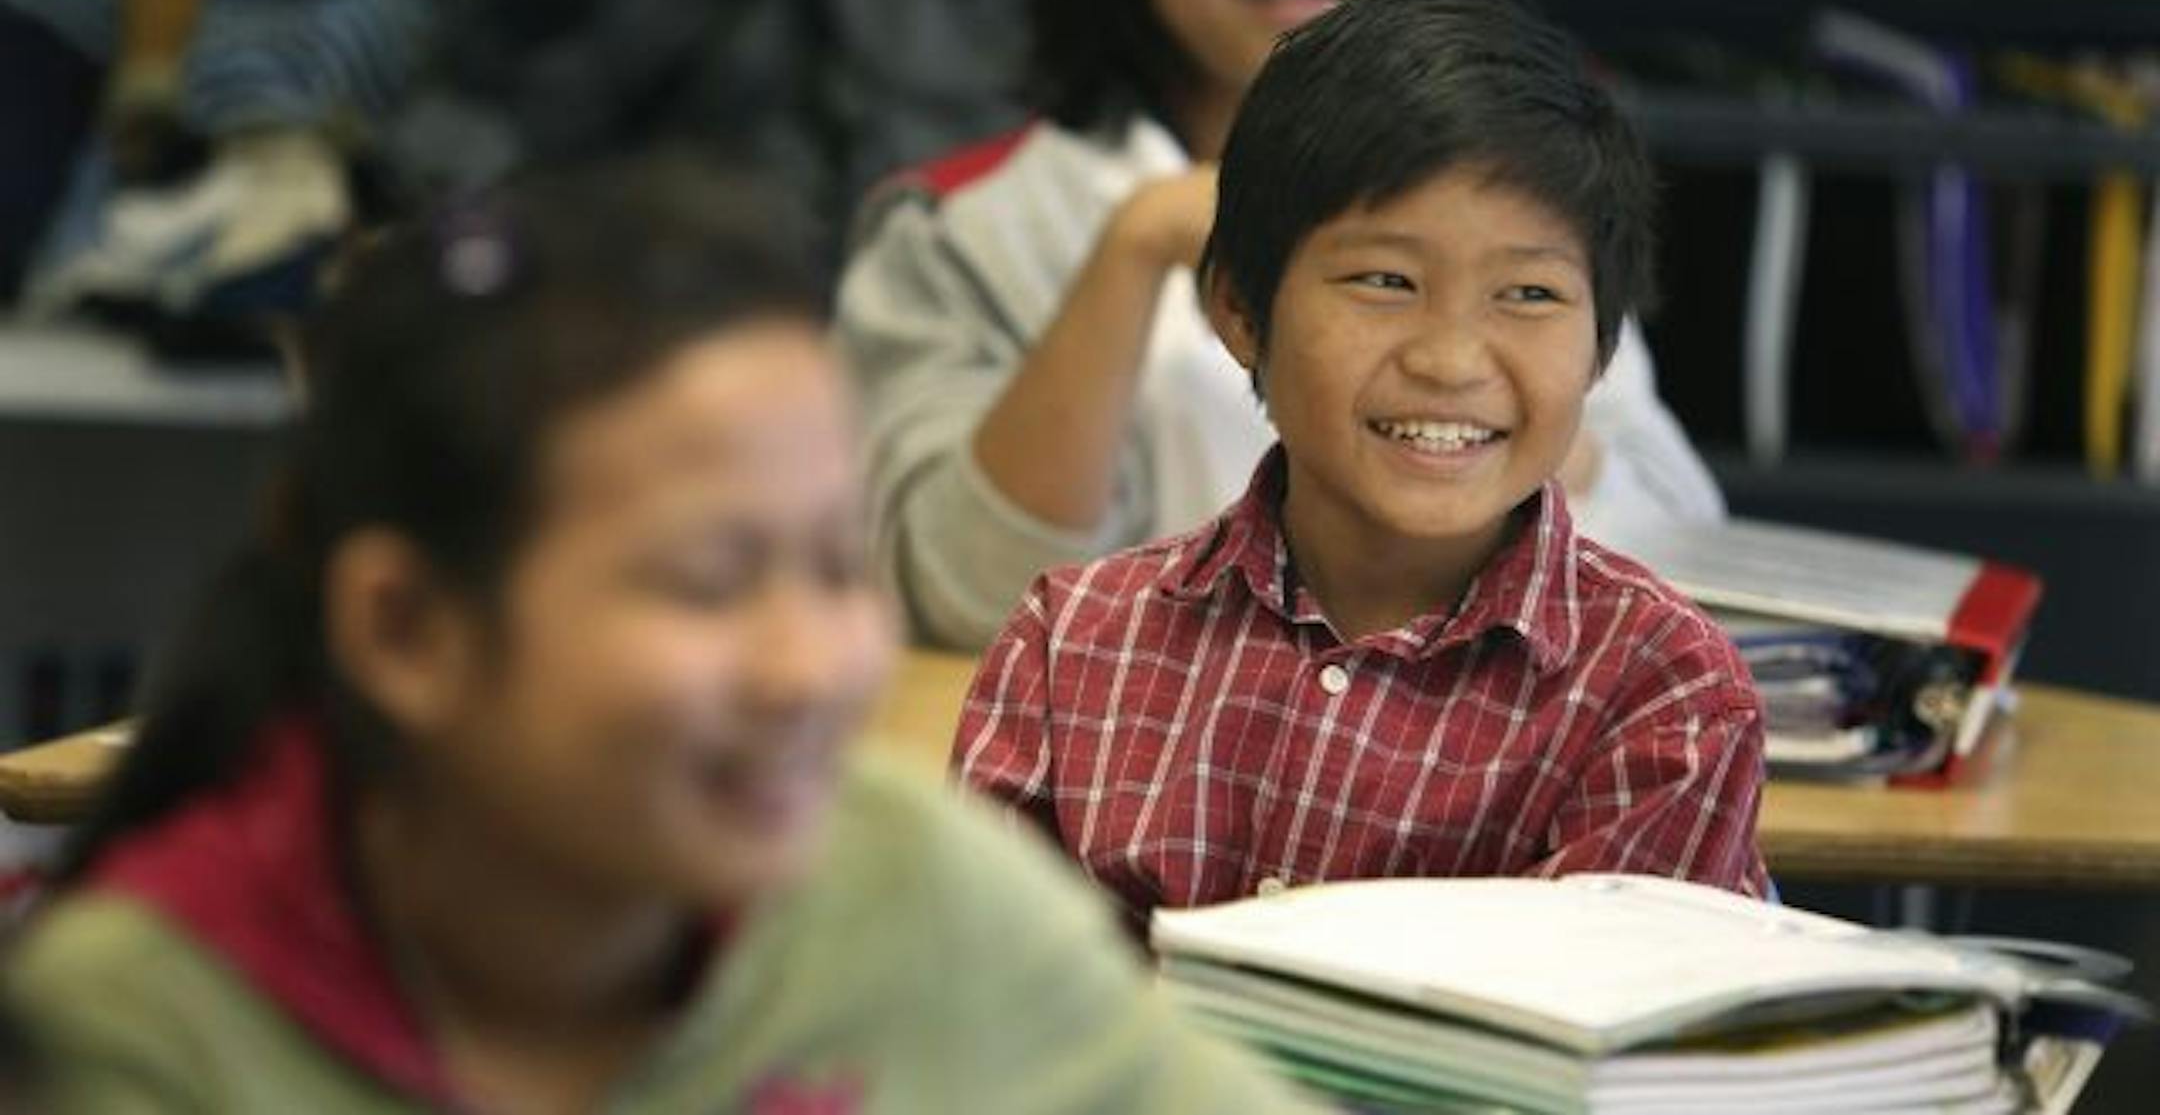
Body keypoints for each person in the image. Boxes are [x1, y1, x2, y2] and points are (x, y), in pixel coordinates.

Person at [4, 164, 1304, 1115]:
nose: (812, 668)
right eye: (708, 583)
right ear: (405, 630)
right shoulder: (145, 1030)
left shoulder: (903, 881)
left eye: (836, 566)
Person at [836, 0, 1722, 652]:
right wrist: (1135, 249)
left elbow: (1686, 535)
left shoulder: (1525, 189)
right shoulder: (966, 227)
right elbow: (964, 599)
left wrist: (1491, 397)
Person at [953, 0, 1768, 930]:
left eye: (1529, 293)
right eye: (1386, 280)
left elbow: (1612, 1019)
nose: (1450, 360)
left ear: (1602, 350)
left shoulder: (1664, 694)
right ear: (1240, 311)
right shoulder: (1073, 648)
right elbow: (977, 996)